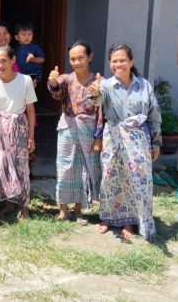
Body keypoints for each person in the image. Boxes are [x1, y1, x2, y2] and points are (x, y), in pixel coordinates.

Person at [90, 43, 161, 241]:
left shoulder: (144, 85)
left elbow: (154, 115)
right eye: (114, 61)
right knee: (110, 178)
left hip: (138, 139)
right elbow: (96, 101)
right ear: (109, 63)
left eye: (122, 60)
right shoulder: (106, 85)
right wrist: (94, 92)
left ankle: (130, 221)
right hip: (113, 137)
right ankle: (107, 218)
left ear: (131, 62)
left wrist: (156, 143)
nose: (118, 64)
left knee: (136, 179)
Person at [48, 41, 103, 225]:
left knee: (83, 170)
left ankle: (79, 210)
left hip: (88, 128)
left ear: (90, 57)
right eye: (72, 59)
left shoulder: (98, 82)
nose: (77, 62)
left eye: (80, 58)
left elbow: (101, 109)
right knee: (64, 166)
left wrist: (98, 137)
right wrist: (53, 82)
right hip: (68, 126)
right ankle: (63, 209)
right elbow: (55, 93)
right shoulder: (66, 79)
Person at [0, 45, 37, 220]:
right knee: (2, 165)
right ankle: (7, 203)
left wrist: (31, 137)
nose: (0, 65)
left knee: (21, 166)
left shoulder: (25, 80)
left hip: (19, 127)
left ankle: (24, 207)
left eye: (4, 60)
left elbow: (31, 110)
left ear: (13, 61)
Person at [14, 21, 45, 88]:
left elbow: (42, 59)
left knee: (30, 92)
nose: (27, 37)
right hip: (21, 75)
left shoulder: (34, 47)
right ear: (17, 37)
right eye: (23, 34)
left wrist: (33, 59)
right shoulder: (15, 49)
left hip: (34, 74)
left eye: (29, 34)